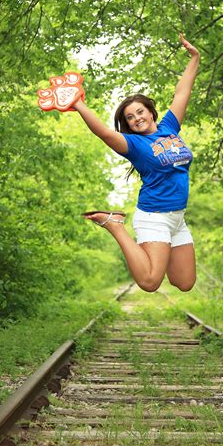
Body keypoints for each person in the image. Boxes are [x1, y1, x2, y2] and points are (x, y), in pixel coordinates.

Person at [73, 33, 200, 293]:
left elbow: (182, 90)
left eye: (140, 112)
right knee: (150, 282)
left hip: (177, 217)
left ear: (151, 112)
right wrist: (78, 104)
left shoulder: (169, 128)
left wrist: (194, 58)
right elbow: (104, 133)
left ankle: (121, 227)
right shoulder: (136, 147)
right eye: (130, 118)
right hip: (154, 217)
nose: (136, 119)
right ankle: (114, 225)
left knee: (184, 282)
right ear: (128, 124)